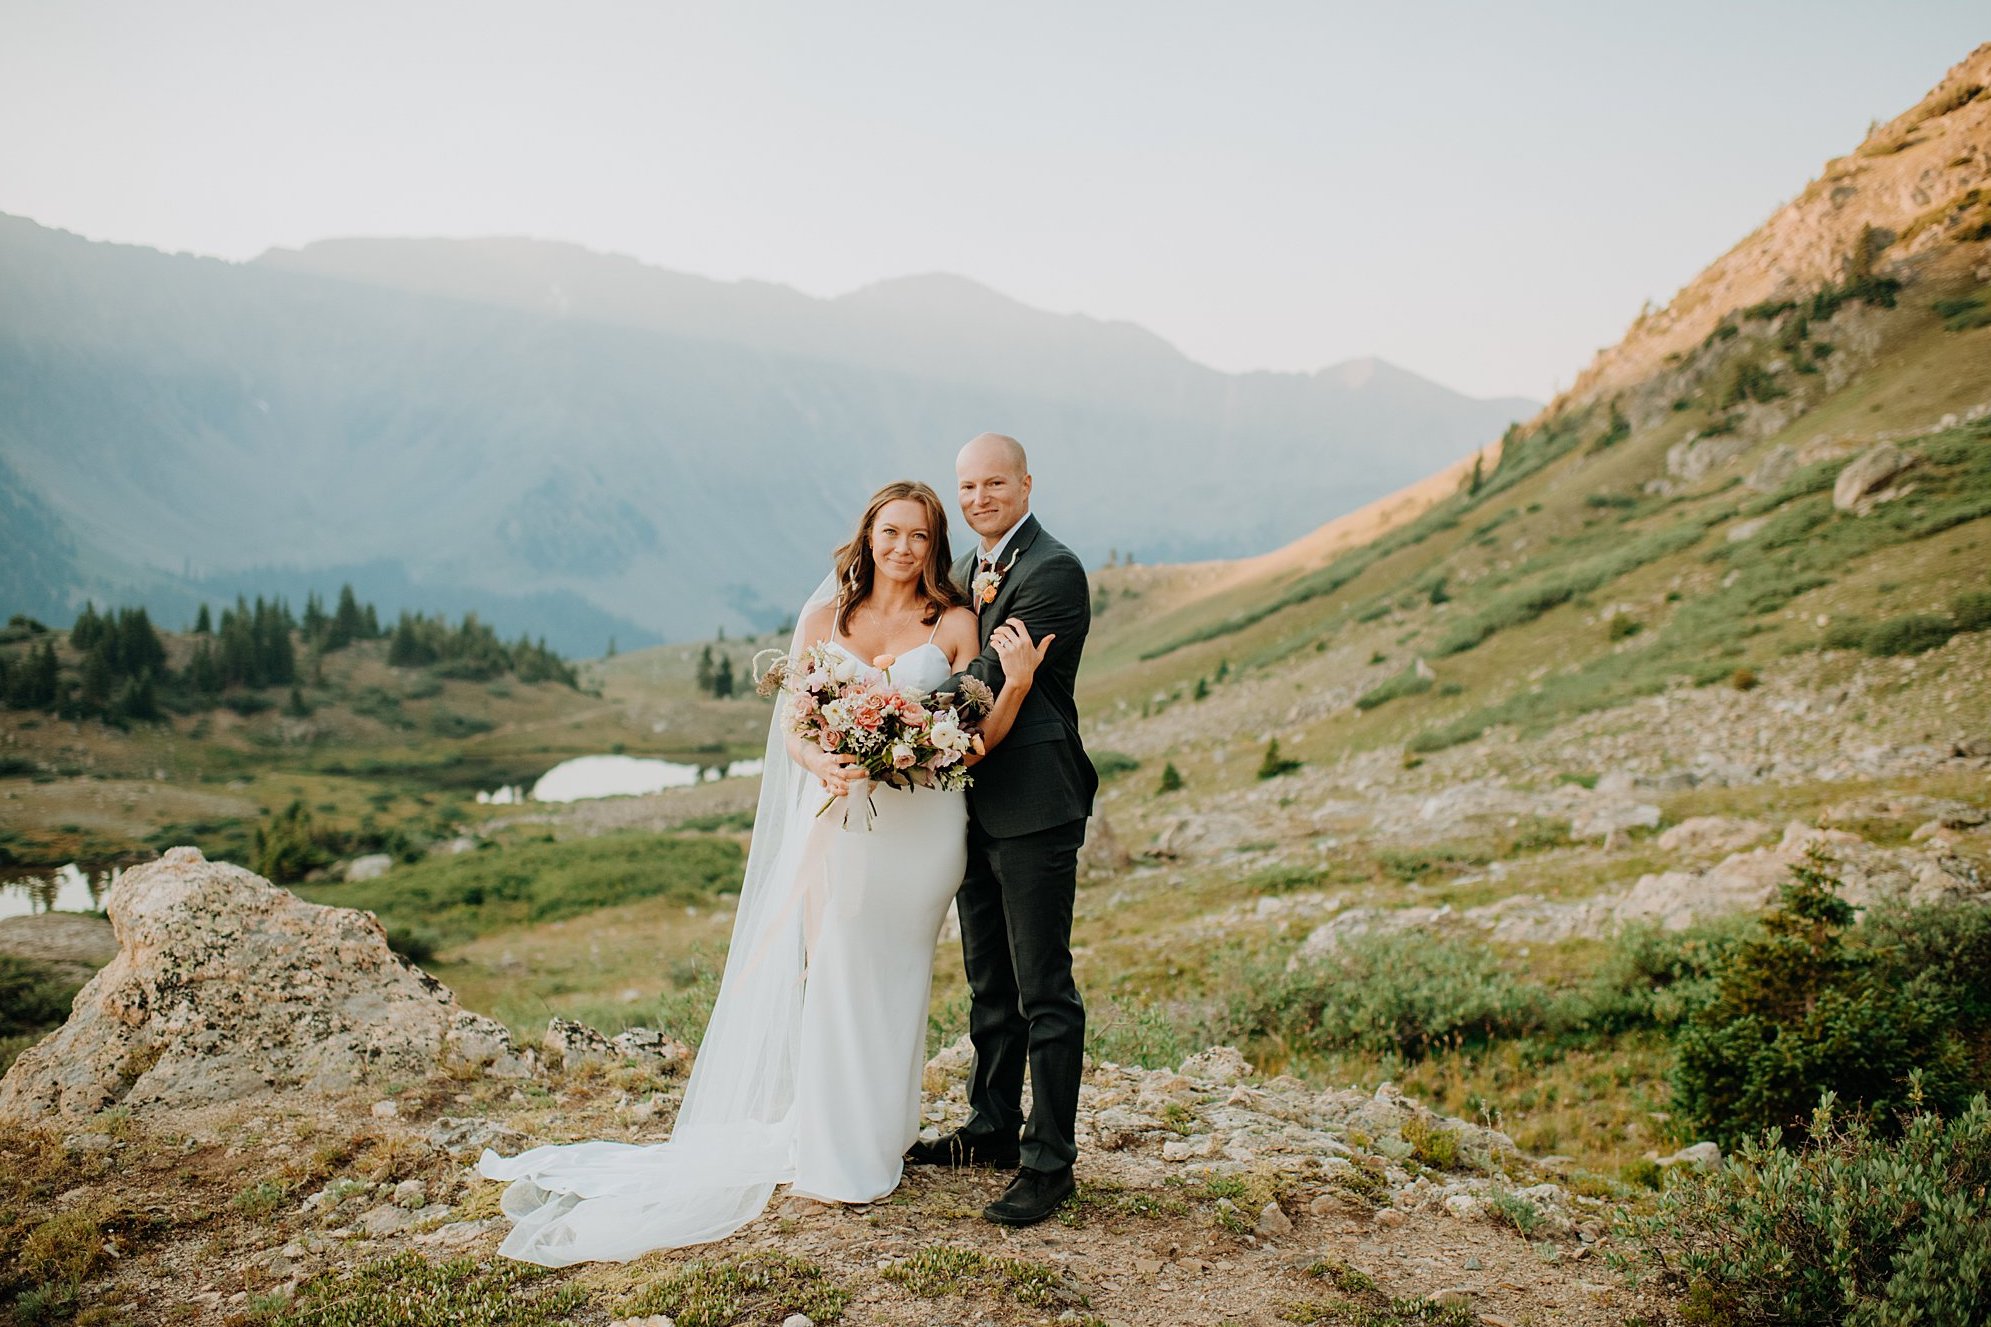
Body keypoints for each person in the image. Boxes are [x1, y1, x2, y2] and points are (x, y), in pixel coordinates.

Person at [476, 478, 1050, 1264]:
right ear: (868, 535)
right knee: (839, 965)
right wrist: (827, 763)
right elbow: (794, 728)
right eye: (890, 531)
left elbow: (973, 736)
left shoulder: (951, 622)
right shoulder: (825, 619)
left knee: (899, 973)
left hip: (924, 829)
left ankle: (882, 1133)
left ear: (933, 544)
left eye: (919, 534)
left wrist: (1014, 685)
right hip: (841, 815)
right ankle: (837, 1153)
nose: (903, 546)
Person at [905, 433, 1096, 1228]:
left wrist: (890, 715)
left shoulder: (1051, 570)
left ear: (1025, 484)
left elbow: (984, 676)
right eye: (967, 487)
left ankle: (1048, 1162)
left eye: (994, 483)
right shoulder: (965, 571)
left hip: (1035, 802)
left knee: (1042, 986)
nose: (979, 498)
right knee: (989, 979)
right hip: (973, 799)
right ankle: (990, 1125)